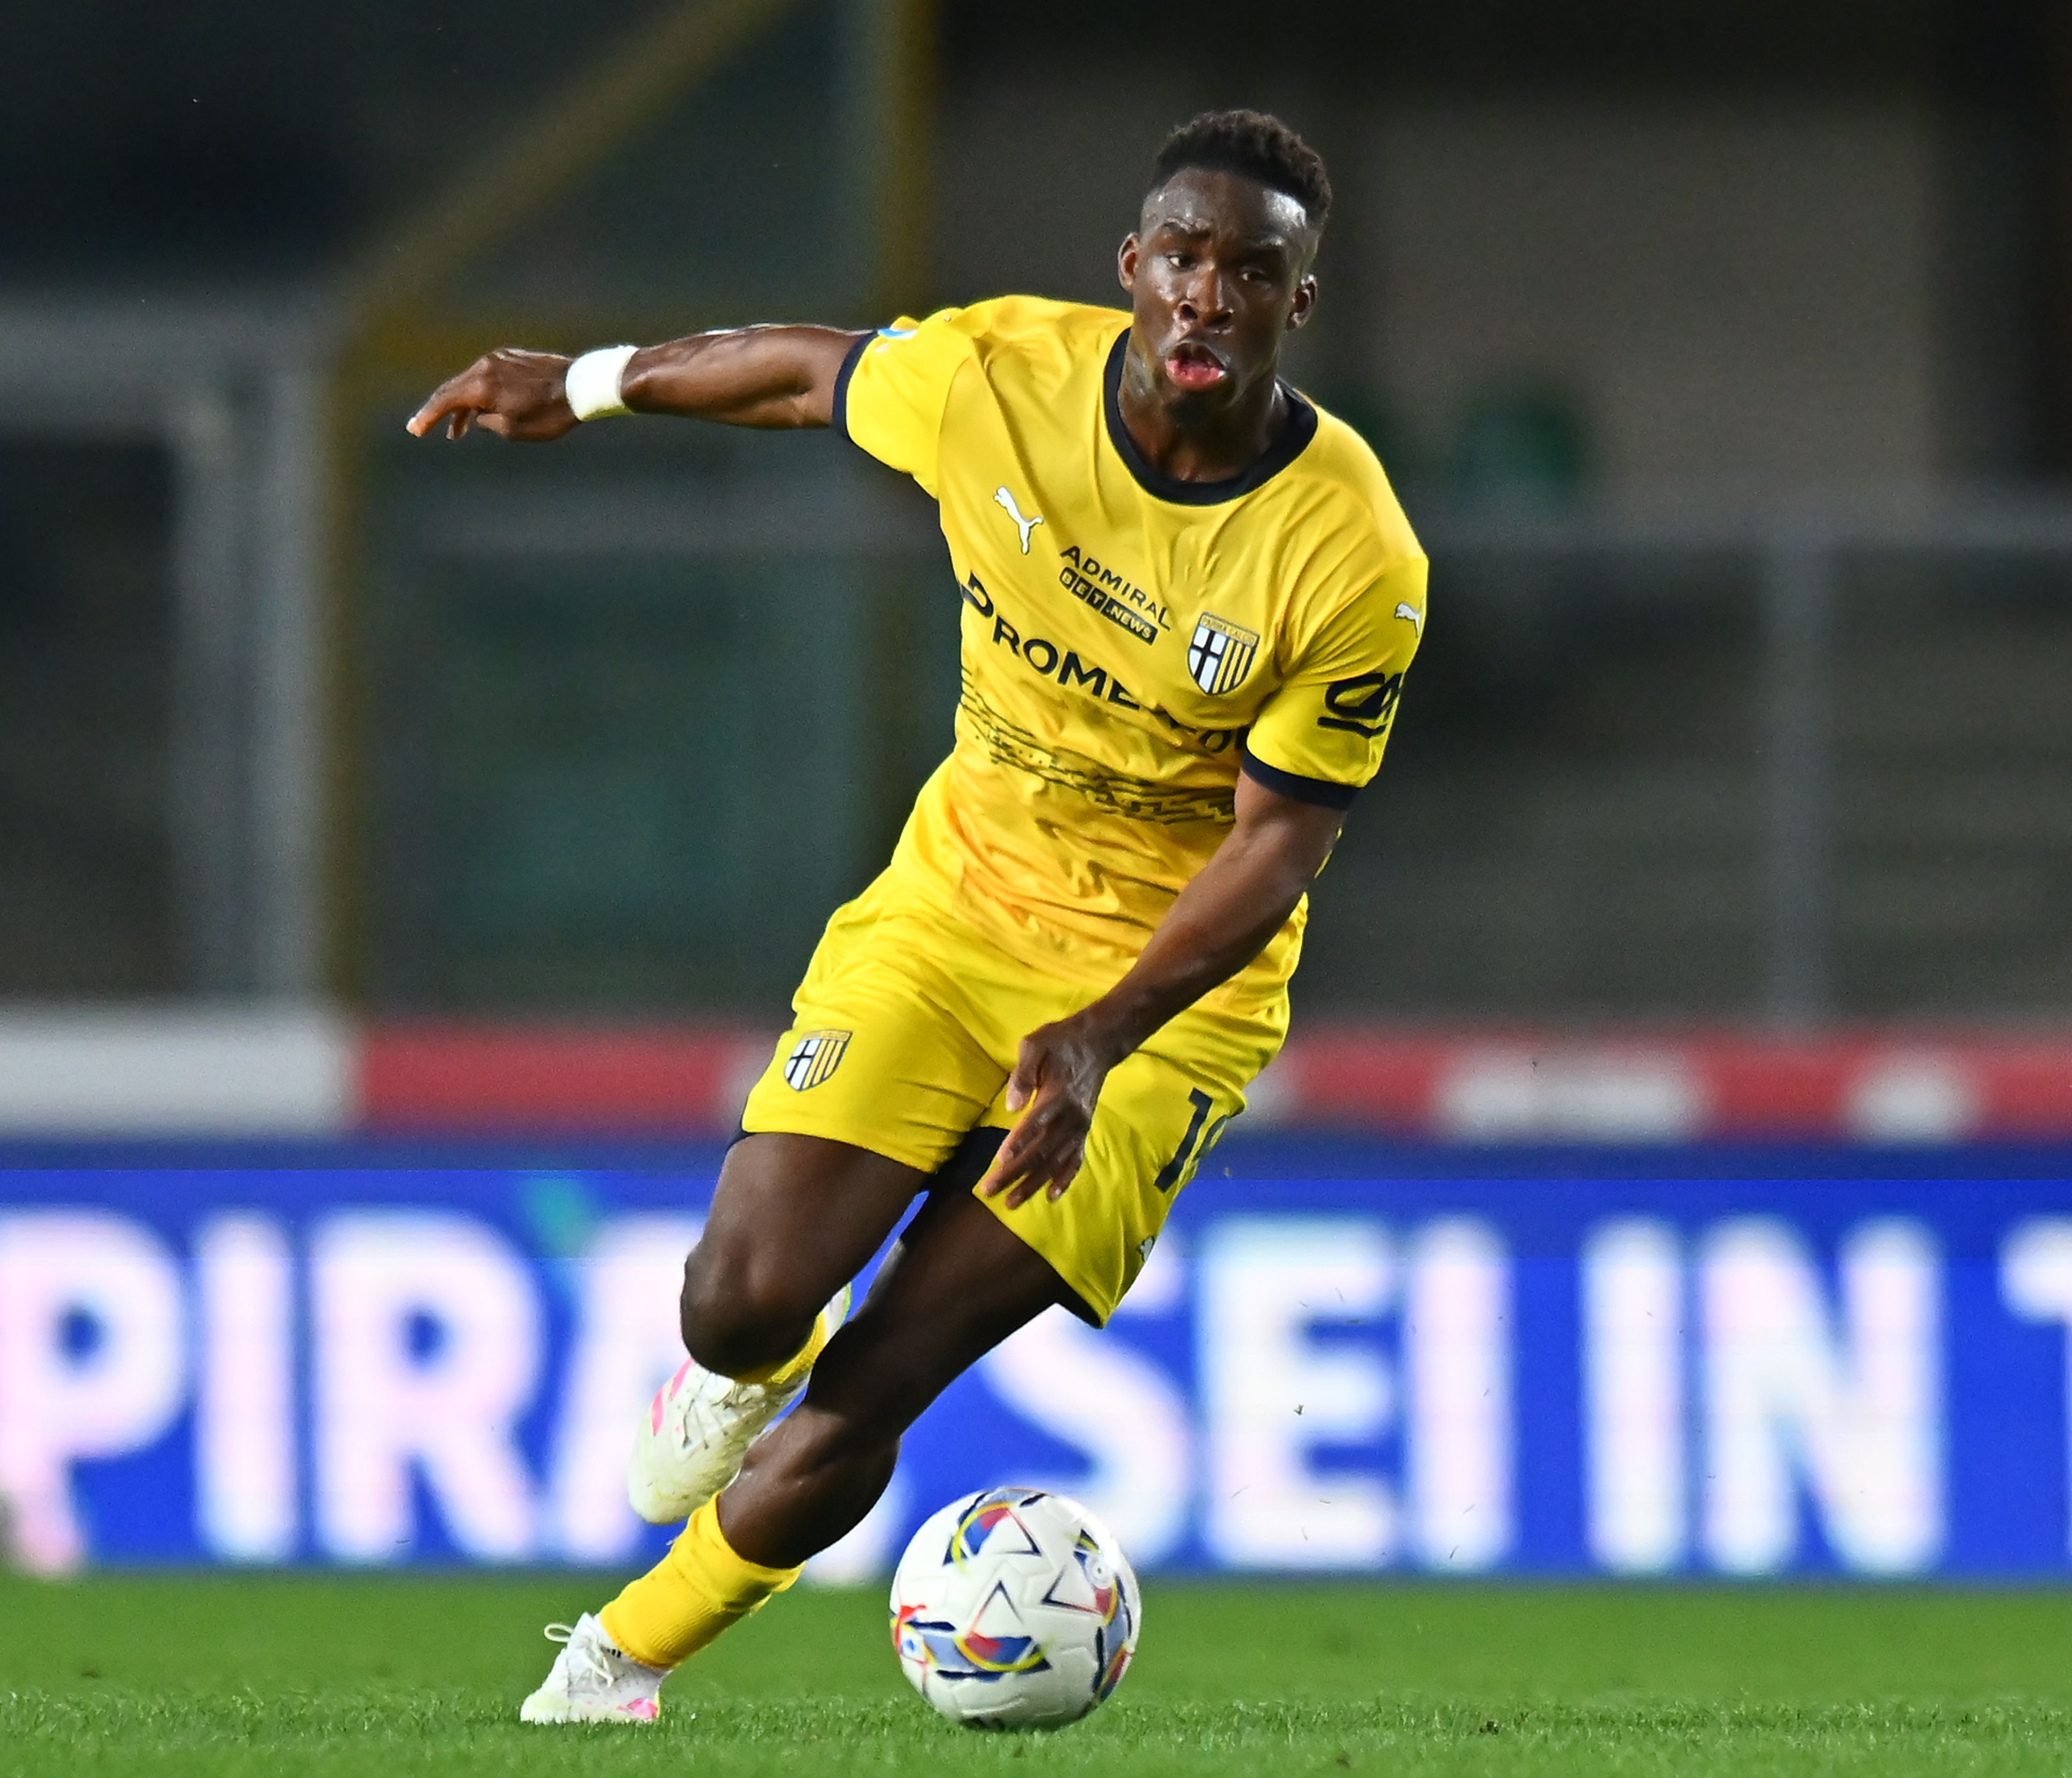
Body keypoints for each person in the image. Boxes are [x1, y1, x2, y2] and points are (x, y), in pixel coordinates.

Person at [407, 110, 1425, 1723]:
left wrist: (1097, 1034)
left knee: (885, 1369)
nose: (1204, 298)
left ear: (1297, 305)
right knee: (739, 1301)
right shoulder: (996, 380)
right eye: (1180, 257)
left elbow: (1274, 850)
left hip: (1158, 1009)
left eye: (1251, 272)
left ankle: (616, 1662)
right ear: (1131, 267)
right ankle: (725, 1374)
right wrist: (588, 383)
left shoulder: (1350, 551)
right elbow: (800, 372)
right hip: (949, 916)